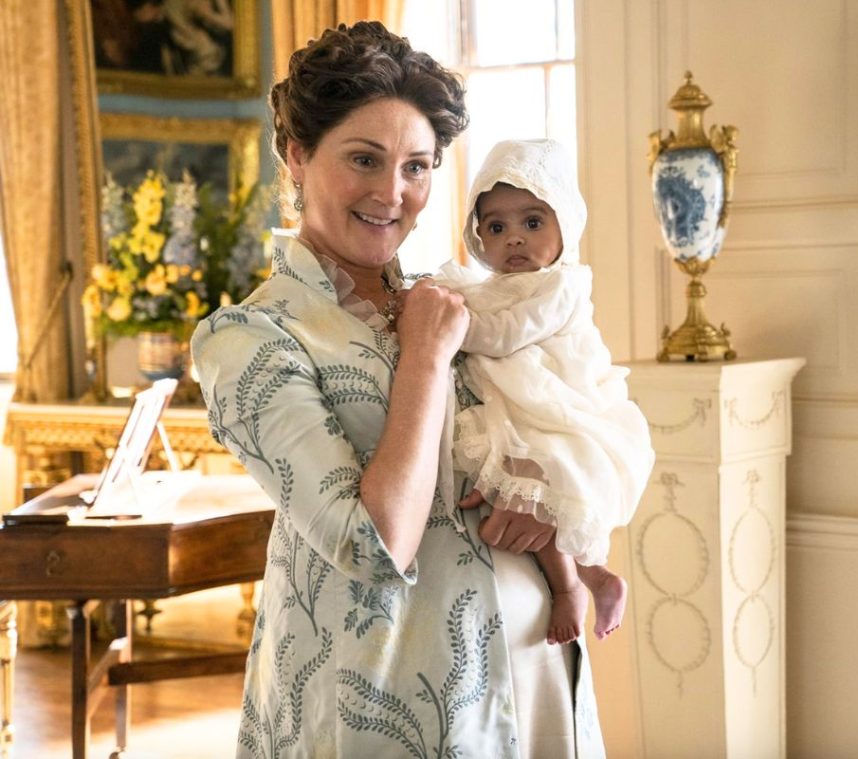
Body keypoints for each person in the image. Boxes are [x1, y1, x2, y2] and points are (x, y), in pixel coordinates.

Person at [190, 22, 605, 758]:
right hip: (388, 713)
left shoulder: (449, 299)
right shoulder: (249, 337)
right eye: (364, 159)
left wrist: (560, 534)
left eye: (417, 166)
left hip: (537, 679)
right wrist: (423, 356)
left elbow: (532, 439)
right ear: (296, 155)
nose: (393, 192)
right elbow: (375, 545)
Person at [430, 139, 655, 646]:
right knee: (526, 487)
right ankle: (598, 578)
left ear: (565, 225)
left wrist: (447, 327)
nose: (514, 239)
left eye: (532, 222)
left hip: (560, 402)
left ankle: (567, 588)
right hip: (521, 401)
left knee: (539, 485)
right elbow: (477, 306)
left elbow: (506, 333)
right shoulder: (491, 288)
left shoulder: (562, 285)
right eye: (496, 227)